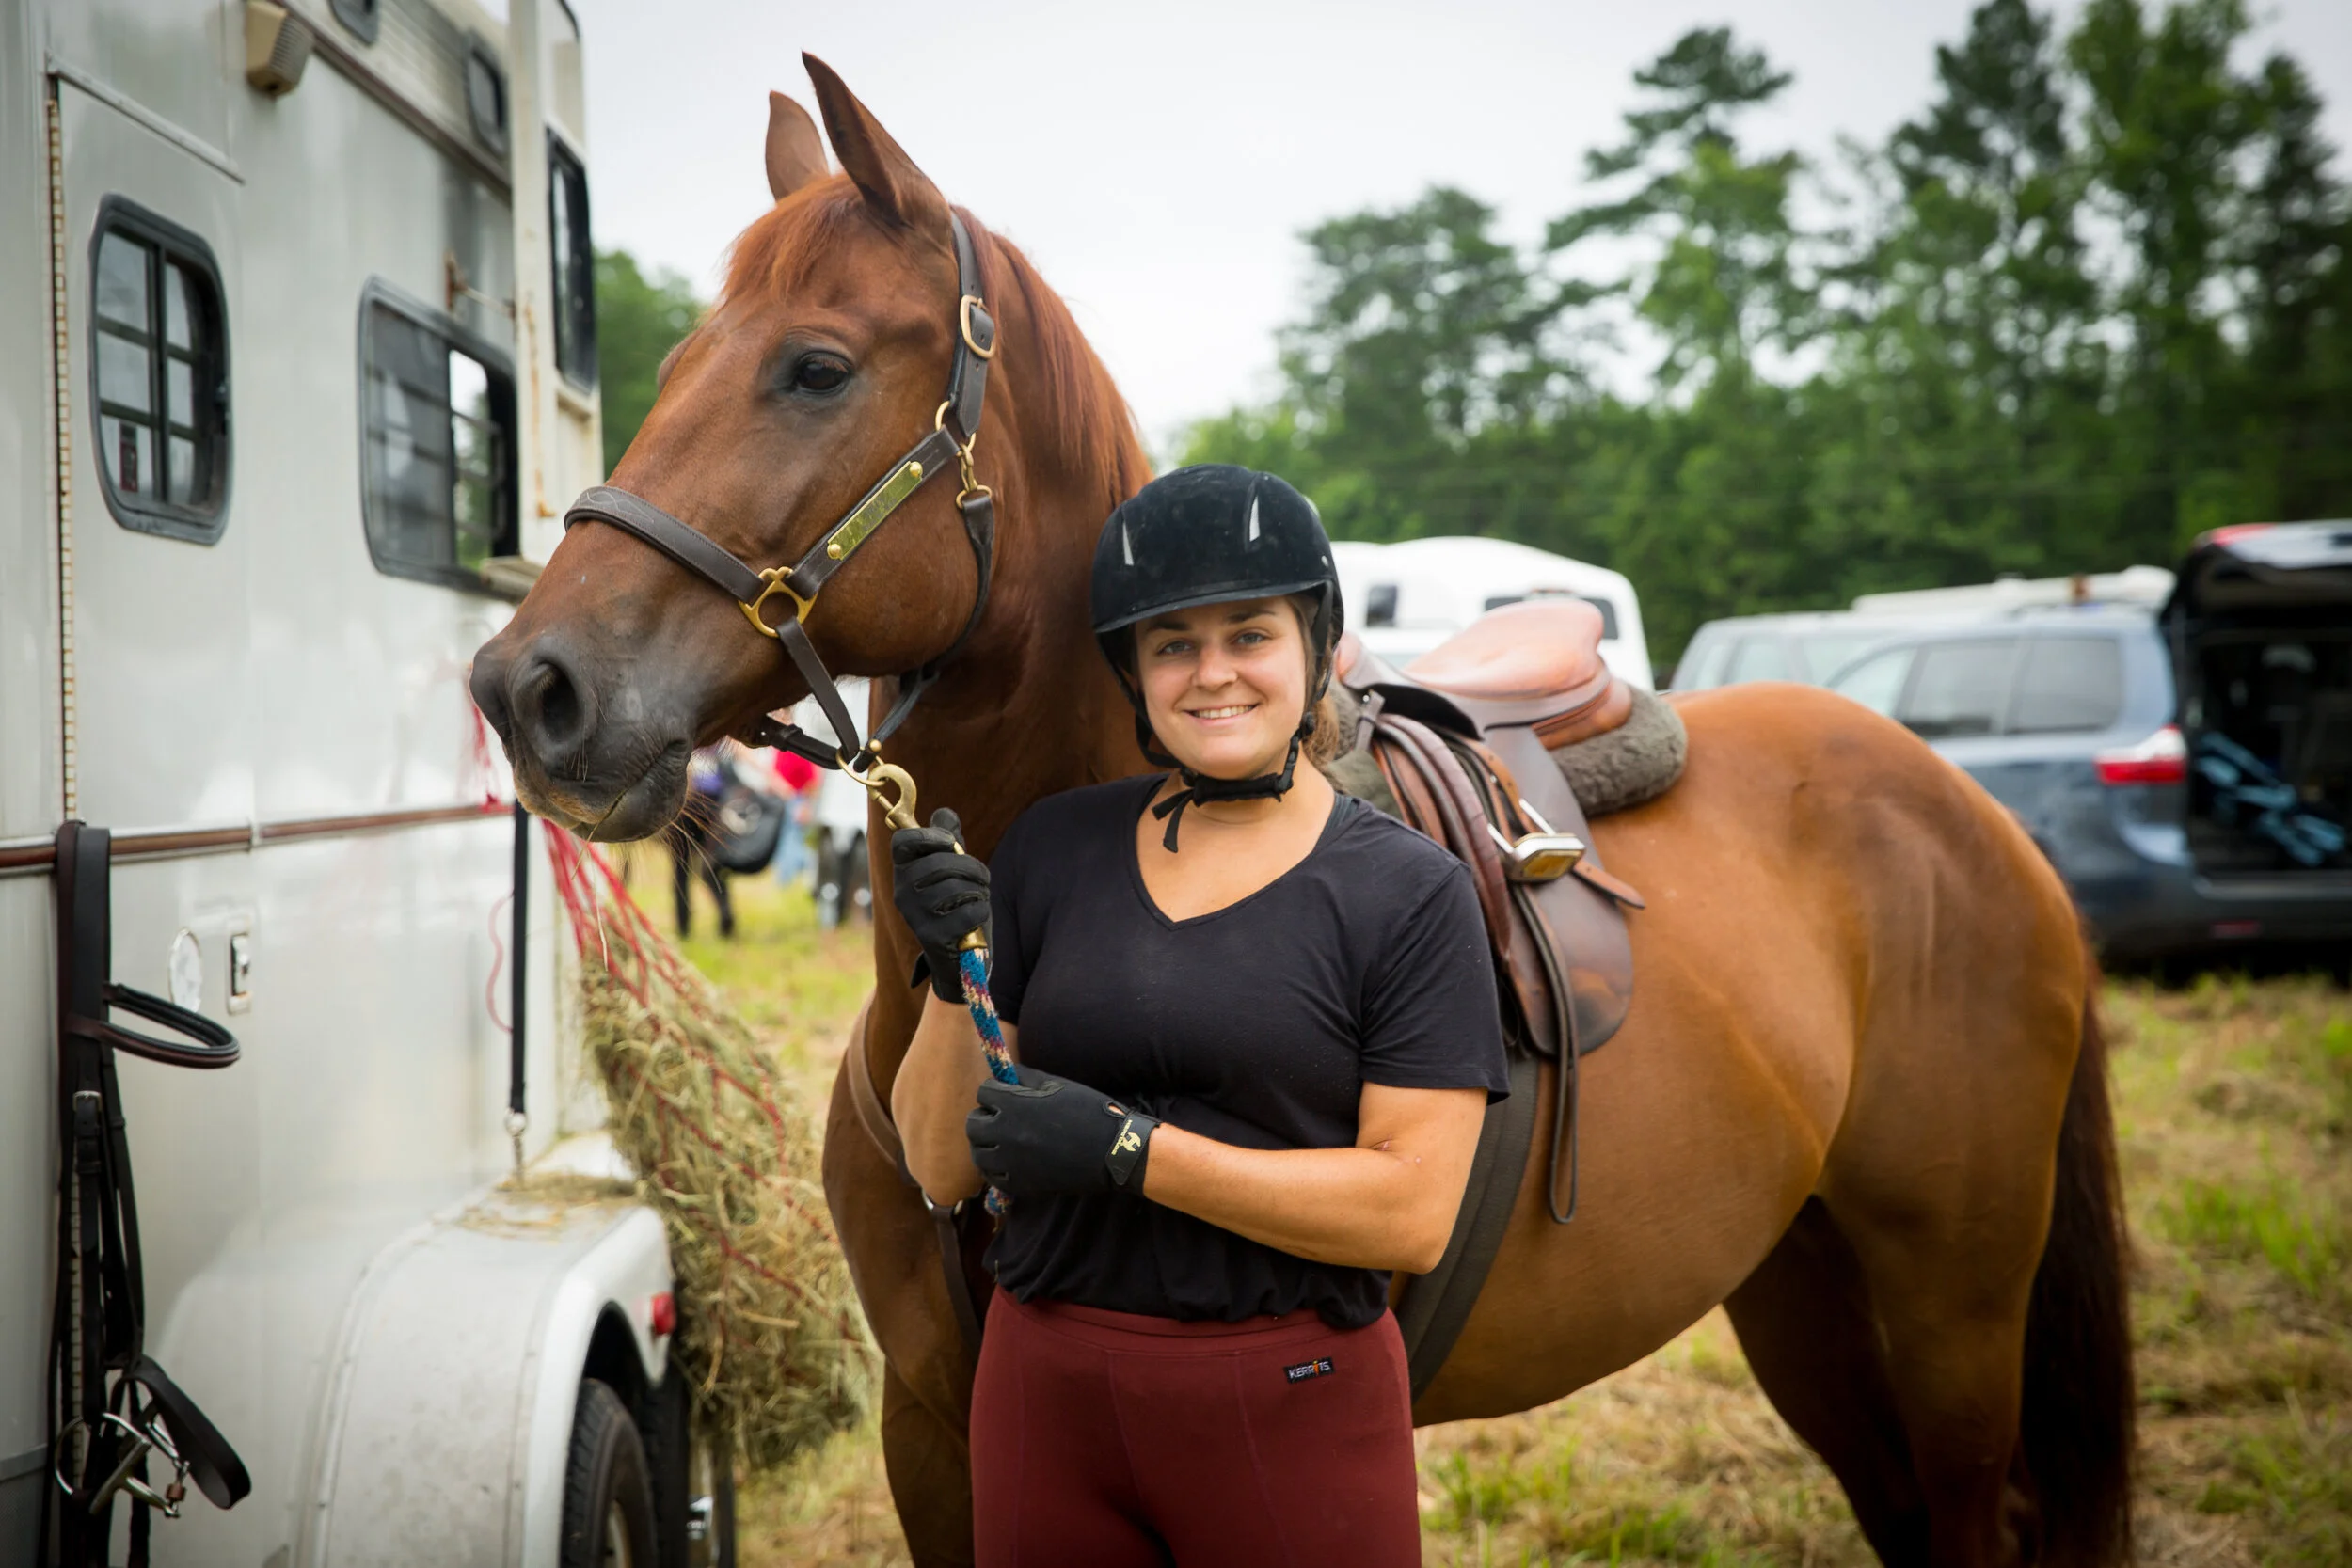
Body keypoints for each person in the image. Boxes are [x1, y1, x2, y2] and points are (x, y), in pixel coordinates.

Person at [890, 465, 1508, 1566]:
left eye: (1249, 634)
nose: (1212, 671)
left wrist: (1130, 1151)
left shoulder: (1410, 891)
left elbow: (1411, 1211)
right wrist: (950, 977)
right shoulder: (1049, 846)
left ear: (1314, 647)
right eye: (1173, 643)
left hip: (1290, 1398)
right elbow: (941, 1162)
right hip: (1042, 1392)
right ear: (1132, 672)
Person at [666, 743, 736, 939]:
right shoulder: (717, 735)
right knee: (714, 863)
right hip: (712, 802)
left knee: (681, 868)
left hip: (685, 803)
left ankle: (684, 927)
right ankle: (724, 911)